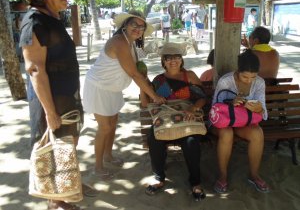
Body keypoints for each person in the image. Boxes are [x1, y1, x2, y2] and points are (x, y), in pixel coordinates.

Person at [20, 0, 98, 209]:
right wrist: (50, 112)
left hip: (67, 96)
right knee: (55, 148)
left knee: (68, 144)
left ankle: (70, 184)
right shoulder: (34, 21)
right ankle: (56, 201)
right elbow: (34, 69)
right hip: (51, 100)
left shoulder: (52, 18)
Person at [83, 11, 166, 179]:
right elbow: (134, 74)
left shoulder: (131, 43)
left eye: (141, 26)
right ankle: (97, 166)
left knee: (113, 123)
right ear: (125, 25)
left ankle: (108, 156)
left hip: (112, 88)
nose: (137, 28)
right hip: (99, 87)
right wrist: (154, 96)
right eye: (133, 24)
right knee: (104, 127)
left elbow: (138, 69)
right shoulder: (119, 42)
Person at [140, 42, 206, 201]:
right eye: (168, 58)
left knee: (191, 142)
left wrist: (192, 109)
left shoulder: (189, 76)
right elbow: (145, 103)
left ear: (182, 60)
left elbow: (202, 98)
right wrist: (143, 84)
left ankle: (195, 183)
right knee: (154, 139)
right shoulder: (159, 80)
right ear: (163, 62)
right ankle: (159, 178)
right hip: (166, 121)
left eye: (177, 58)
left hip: (186, 118)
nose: (173, 61)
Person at [211, 49, 269, 194]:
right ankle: (223, 176)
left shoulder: (260, 83)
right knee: (227, 133)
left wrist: (259, 108)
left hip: (243, 122)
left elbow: (265, 113)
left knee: (257, 132)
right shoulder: (226, 81)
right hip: (222, 121)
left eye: (253, 77)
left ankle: (254, 174)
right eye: (245, 77)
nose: (249, 80)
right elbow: (215, 109)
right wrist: (231, 102)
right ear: (238, 71)